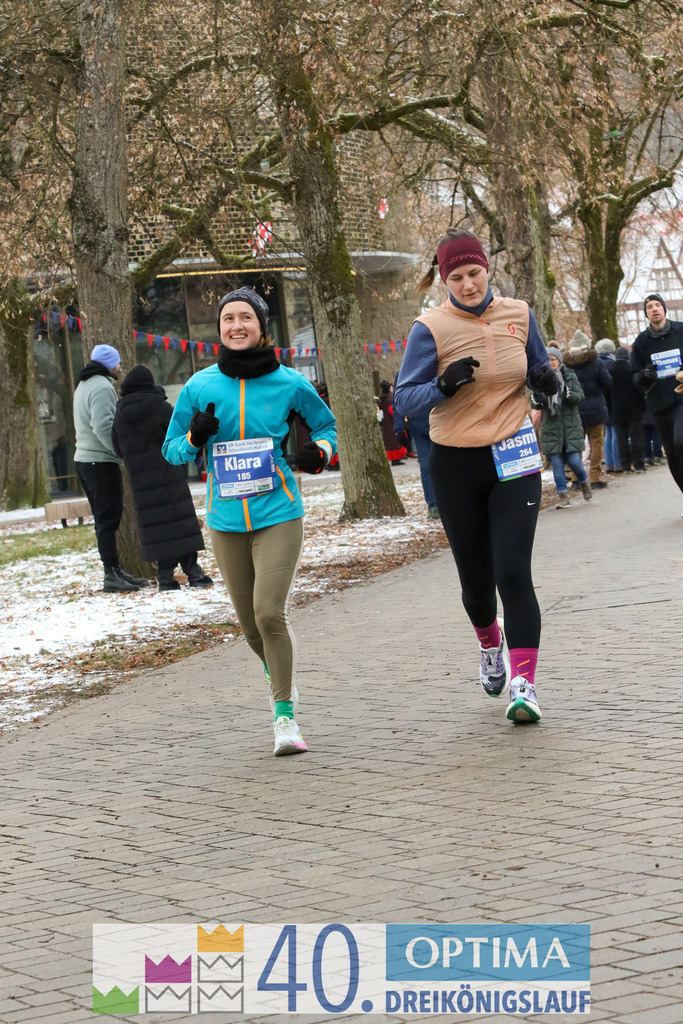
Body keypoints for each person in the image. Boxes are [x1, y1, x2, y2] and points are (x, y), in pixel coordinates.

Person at [163, 287, 337, 756]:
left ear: (261, 327)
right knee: (249, 628)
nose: (236, 325)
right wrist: (195, 437)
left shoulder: (288, 382)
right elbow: (171, 449)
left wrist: (318, 453)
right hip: (225, 520)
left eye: (246, 318)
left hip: (278, 511)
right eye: (228, 319)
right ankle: (281, 675)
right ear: (218, 329)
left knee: (268, 614)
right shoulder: (200, 386)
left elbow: (327, 428)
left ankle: (285, 718)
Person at [394, 229, 557, 723]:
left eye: (474, 273)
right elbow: (404, 399)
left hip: (513, 455)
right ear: (445, 280)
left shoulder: (519, 314)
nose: (467, 284)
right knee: (477, 585)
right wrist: (442, 386)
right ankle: (490, 642)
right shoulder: (430, 328)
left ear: (488, 270)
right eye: (457, 277)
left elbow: (543, 370)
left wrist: (549, 381)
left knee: (513, 571)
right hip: (456, 462)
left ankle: (524, 685)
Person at [112, 365, 214, 591]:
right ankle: (194, 574)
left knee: (159, 528)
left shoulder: (120, 414)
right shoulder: (161, 407)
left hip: (141, 482)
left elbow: (117, 448)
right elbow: (178, 438)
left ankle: (166, 578)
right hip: (169, 474)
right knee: (180, 524)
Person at [73, 344, 149, 593]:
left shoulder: (84, 384)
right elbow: (103, 425)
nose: (119, 367)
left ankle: (115, 570)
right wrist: (121, 452)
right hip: (99, 460)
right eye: (117, 363)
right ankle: (110, 573)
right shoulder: (102, 386)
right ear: (109, 363)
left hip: (87, 459)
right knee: (108, 518)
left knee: (106, 517)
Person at [631, 293, 683, 496]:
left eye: (657, 305)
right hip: (659, 403)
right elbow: (633, 375)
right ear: (646, 314)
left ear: (664, 309)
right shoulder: (641, 342)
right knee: (671, 453)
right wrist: (644, 375)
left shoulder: (680, 331)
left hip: (681, 398)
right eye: (649, 307)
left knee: (681, 440)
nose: (654, 309)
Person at [530, 346, 592, 509]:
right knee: (556, 464)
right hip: (551, 428)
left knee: (574, 461)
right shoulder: (541, 378)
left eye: (553, 359)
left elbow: (579, 397)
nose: (550, 363)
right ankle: (563, 495)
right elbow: (536, 403)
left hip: (570, 426)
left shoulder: (569, 376)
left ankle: (584, 481)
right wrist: (536, 398)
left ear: (559, 361)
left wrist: (567, 393)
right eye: (547, 359)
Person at [565, 330, 612, 489]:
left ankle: (576, 478)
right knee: (596, 443)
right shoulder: (596, 361)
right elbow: (607, 382)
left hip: (575, 409)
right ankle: (595, 478)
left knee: (576, 445)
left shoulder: (567, 364)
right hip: (596, 407)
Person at [394, 400, 439, 519]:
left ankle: (450, 502)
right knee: (426, 467)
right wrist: (399, 427)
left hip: (443, 424)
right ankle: (433, 505)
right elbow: (398, 400)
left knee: (446, 466)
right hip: (420, 429)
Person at [607, 348, 646, 473]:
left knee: (621, 439)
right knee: (636, 438)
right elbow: (639, 389)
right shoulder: (631, 369)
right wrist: (643, 405)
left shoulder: (610, 371)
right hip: (633, 408)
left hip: (617, 409)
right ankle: (639, 464)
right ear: (627, 356)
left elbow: (606, 393)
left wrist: (610, 409)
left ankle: (626, 466)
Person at [595, 339, 621, 473]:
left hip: (601, 403)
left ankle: (609, 463)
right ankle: (617, 463)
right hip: (613, 402)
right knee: (615, 432)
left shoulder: (596, 364)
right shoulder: (612, 363)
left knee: (608, 433)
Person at [378, 380, 407, 465]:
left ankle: (394, 459)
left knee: (389, 442)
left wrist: (381, 422)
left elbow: (380, 412)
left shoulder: (382, 399)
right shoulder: (390, 398)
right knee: (395, 441)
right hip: (392, 423)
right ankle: (396, 459)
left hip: (385, 423)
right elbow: (392, 411)